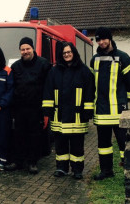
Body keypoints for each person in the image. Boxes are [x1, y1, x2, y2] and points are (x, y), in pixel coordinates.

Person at [90, 27, 130, 180]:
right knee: (104, 145)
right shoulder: (95, 59)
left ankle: (129, 171)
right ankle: (106, 171)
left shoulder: (122, 57)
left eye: (103, 39)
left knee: (124, 144)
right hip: (102, 110)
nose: (101, 42)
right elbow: (91, 84)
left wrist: (126, 96)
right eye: (98, 40)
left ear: (110, 39)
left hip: (118, 109)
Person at [42, 42, 95, 179]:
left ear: (74, 53)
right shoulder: (54, 71)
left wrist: (88, 110)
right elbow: (48, 90)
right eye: (64, 53)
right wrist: (47, 109)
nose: (66, 54)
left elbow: (90, 92)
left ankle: (77, 170)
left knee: (77, 145)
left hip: (77, 116)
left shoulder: (84, 71)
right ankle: (61, 168)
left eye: (69, 52)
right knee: (60, 145)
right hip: (59, 115)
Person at [5, 37, 51, 174]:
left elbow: (48, 87)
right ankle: (18, 161)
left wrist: (46, 109)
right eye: (22, 49)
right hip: (19, 108)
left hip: (36, 108)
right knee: (18, 135)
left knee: (35, 136)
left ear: (33, 49)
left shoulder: (43, 64)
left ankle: (32, 162)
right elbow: (12, 87)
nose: (25, 51)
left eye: (27, 49)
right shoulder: (16, 66)